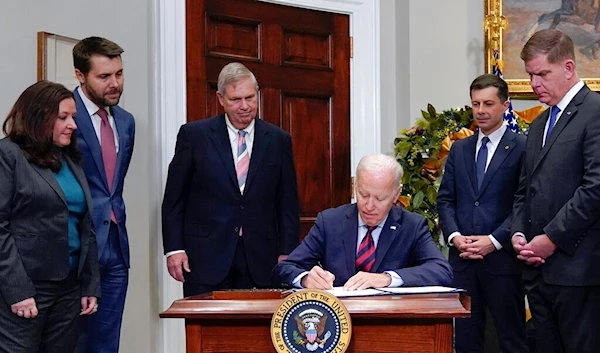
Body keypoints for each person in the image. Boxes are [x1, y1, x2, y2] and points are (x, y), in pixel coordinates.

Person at [162, 62, 300, 296]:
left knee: (257, 331)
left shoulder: (278, 140)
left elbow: (287, 202)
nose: (244, 106)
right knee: (204, 331)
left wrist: (288, 253)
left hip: (261, 259)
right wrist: (174, 249)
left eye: (250, 98)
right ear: (220, 98)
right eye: (236, 99)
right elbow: (174, 198)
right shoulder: (194, 136)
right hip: (205, 258)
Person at [512, 29, 600, 353]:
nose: (535, 83)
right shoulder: (538, 124)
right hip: (537, 274)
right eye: (530, 75)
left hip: (579, 274)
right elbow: (524, 190)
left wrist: (550, 240)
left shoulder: (595, 112)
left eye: (542, 74)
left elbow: (595, 189)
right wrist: (518, 234)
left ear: (568, 68)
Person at [0, 80, 100, 353]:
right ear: (37, 117)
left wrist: (90, 284)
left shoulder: (70, 158)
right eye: (63, 117)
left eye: (74, 117)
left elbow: (85, 225)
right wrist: (18, 291)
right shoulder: (8, 154)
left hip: (69, 287)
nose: (73, 125)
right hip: (26, 286)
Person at [437, 74, 528, 353]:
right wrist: (454, 236)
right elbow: (446, 199)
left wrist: (494, 240)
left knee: (509, 339)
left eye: (488, 103)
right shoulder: (460, 149)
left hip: (503, 262)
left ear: (505, 105)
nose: (481, 111)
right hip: (463, 263)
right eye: (476, 104)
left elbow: (523, 203)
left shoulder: (523, 147)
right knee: (465, 340)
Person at [273, 154, 452, 290]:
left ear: (396, 194)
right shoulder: (330, 222)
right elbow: (286, 268)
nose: (369, 206)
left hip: (391, 322)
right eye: (363, 195)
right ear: (355, 187)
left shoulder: (411, 226)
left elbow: (441, 271)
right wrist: (305, 278)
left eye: (380, 198)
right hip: (338, 320)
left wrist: (386, 278)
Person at [71, 37, 136, 353]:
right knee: (75, 342)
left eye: (119, 74)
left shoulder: (126, 122)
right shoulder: (64, 117)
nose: (115, 84)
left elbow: (115, 188)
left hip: (115, 248)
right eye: (104, 76)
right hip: (76, 249)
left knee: (108, 342)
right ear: (80, 76)